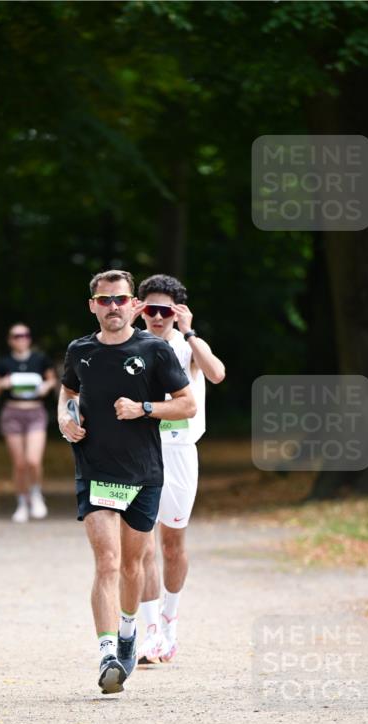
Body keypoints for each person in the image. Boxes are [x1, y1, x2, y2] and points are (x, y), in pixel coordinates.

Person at [58, 269, 196, 694]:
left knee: (134, 566)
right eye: (105, 300)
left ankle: (129, 630)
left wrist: (144, 408)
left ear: (132, 304)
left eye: (120, 299)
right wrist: (66, 421)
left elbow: (187, 404)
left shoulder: (154, 350)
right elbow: (67, 395)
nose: (113, 308)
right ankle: (106, 654)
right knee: (108, 563)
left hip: (144, 473)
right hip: (95, 470)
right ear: (93, 306)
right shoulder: (80, 351)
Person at [135, 274, 225, 664]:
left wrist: (189, 333)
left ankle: (170, 623)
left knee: (172, 544)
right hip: (138, 450)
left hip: (180, 450)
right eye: (150, 309)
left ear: (177, 312)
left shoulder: (188, 345)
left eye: (165, 310)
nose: (157, 317)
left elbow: (217, 373)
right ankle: (150, 632)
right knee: (140, 546)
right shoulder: (129, 344)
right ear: (140, 310)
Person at [0, 323, 57, 522]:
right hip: (12, 413)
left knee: (33, 460)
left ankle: (36, 494)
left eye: (25, 335)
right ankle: (22, 502)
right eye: (16, 336)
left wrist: (46, 386)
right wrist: (2, 384)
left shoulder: (40, 360)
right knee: (19, 464)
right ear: (10, 340)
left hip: (35, 412)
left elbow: (52, 380)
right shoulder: (3, 364)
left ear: (30, 338)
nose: (21, 339)